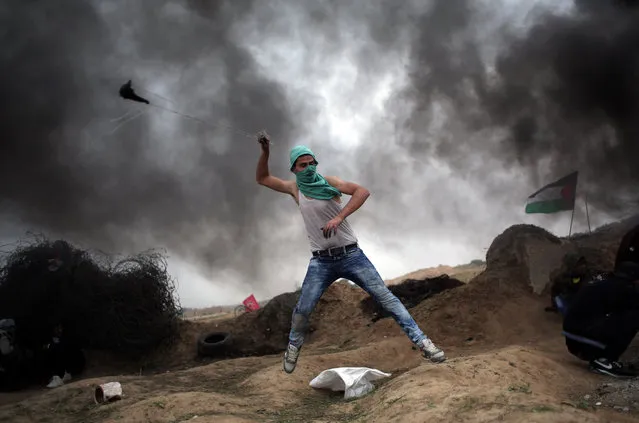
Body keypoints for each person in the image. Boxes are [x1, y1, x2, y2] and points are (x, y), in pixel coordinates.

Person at [255, 133, 446, 374]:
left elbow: (362, 191)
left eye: (313, 163)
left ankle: (424, 343)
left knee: (387, 300)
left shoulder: (329, 182)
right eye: (304, 165)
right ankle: (293, 346)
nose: (310, 168)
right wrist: (265, 152)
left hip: (351, 256)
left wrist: (339, 216)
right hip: (321, 262)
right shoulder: (295, 189)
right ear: (294, 168)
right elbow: (262, 178)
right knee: (303, 309)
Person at [562, 224, 639, 378]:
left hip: (572, 336)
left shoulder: (605, 279)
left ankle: (603, 356)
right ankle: (603, 360)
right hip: (582, 338)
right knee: (634, 315)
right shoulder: (623, 288)